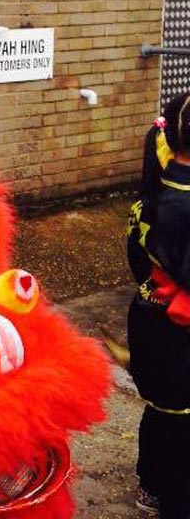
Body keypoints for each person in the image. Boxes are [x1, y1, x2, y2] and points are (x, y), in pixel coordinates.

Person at [127, 91, 190, 518]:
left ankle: (150, 484)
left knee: (161, 408)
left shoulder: (152, 190)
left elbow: (137, 259)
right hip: (180, 329)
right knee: (181, 420)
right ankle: (175, 500)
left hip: (149, 311)